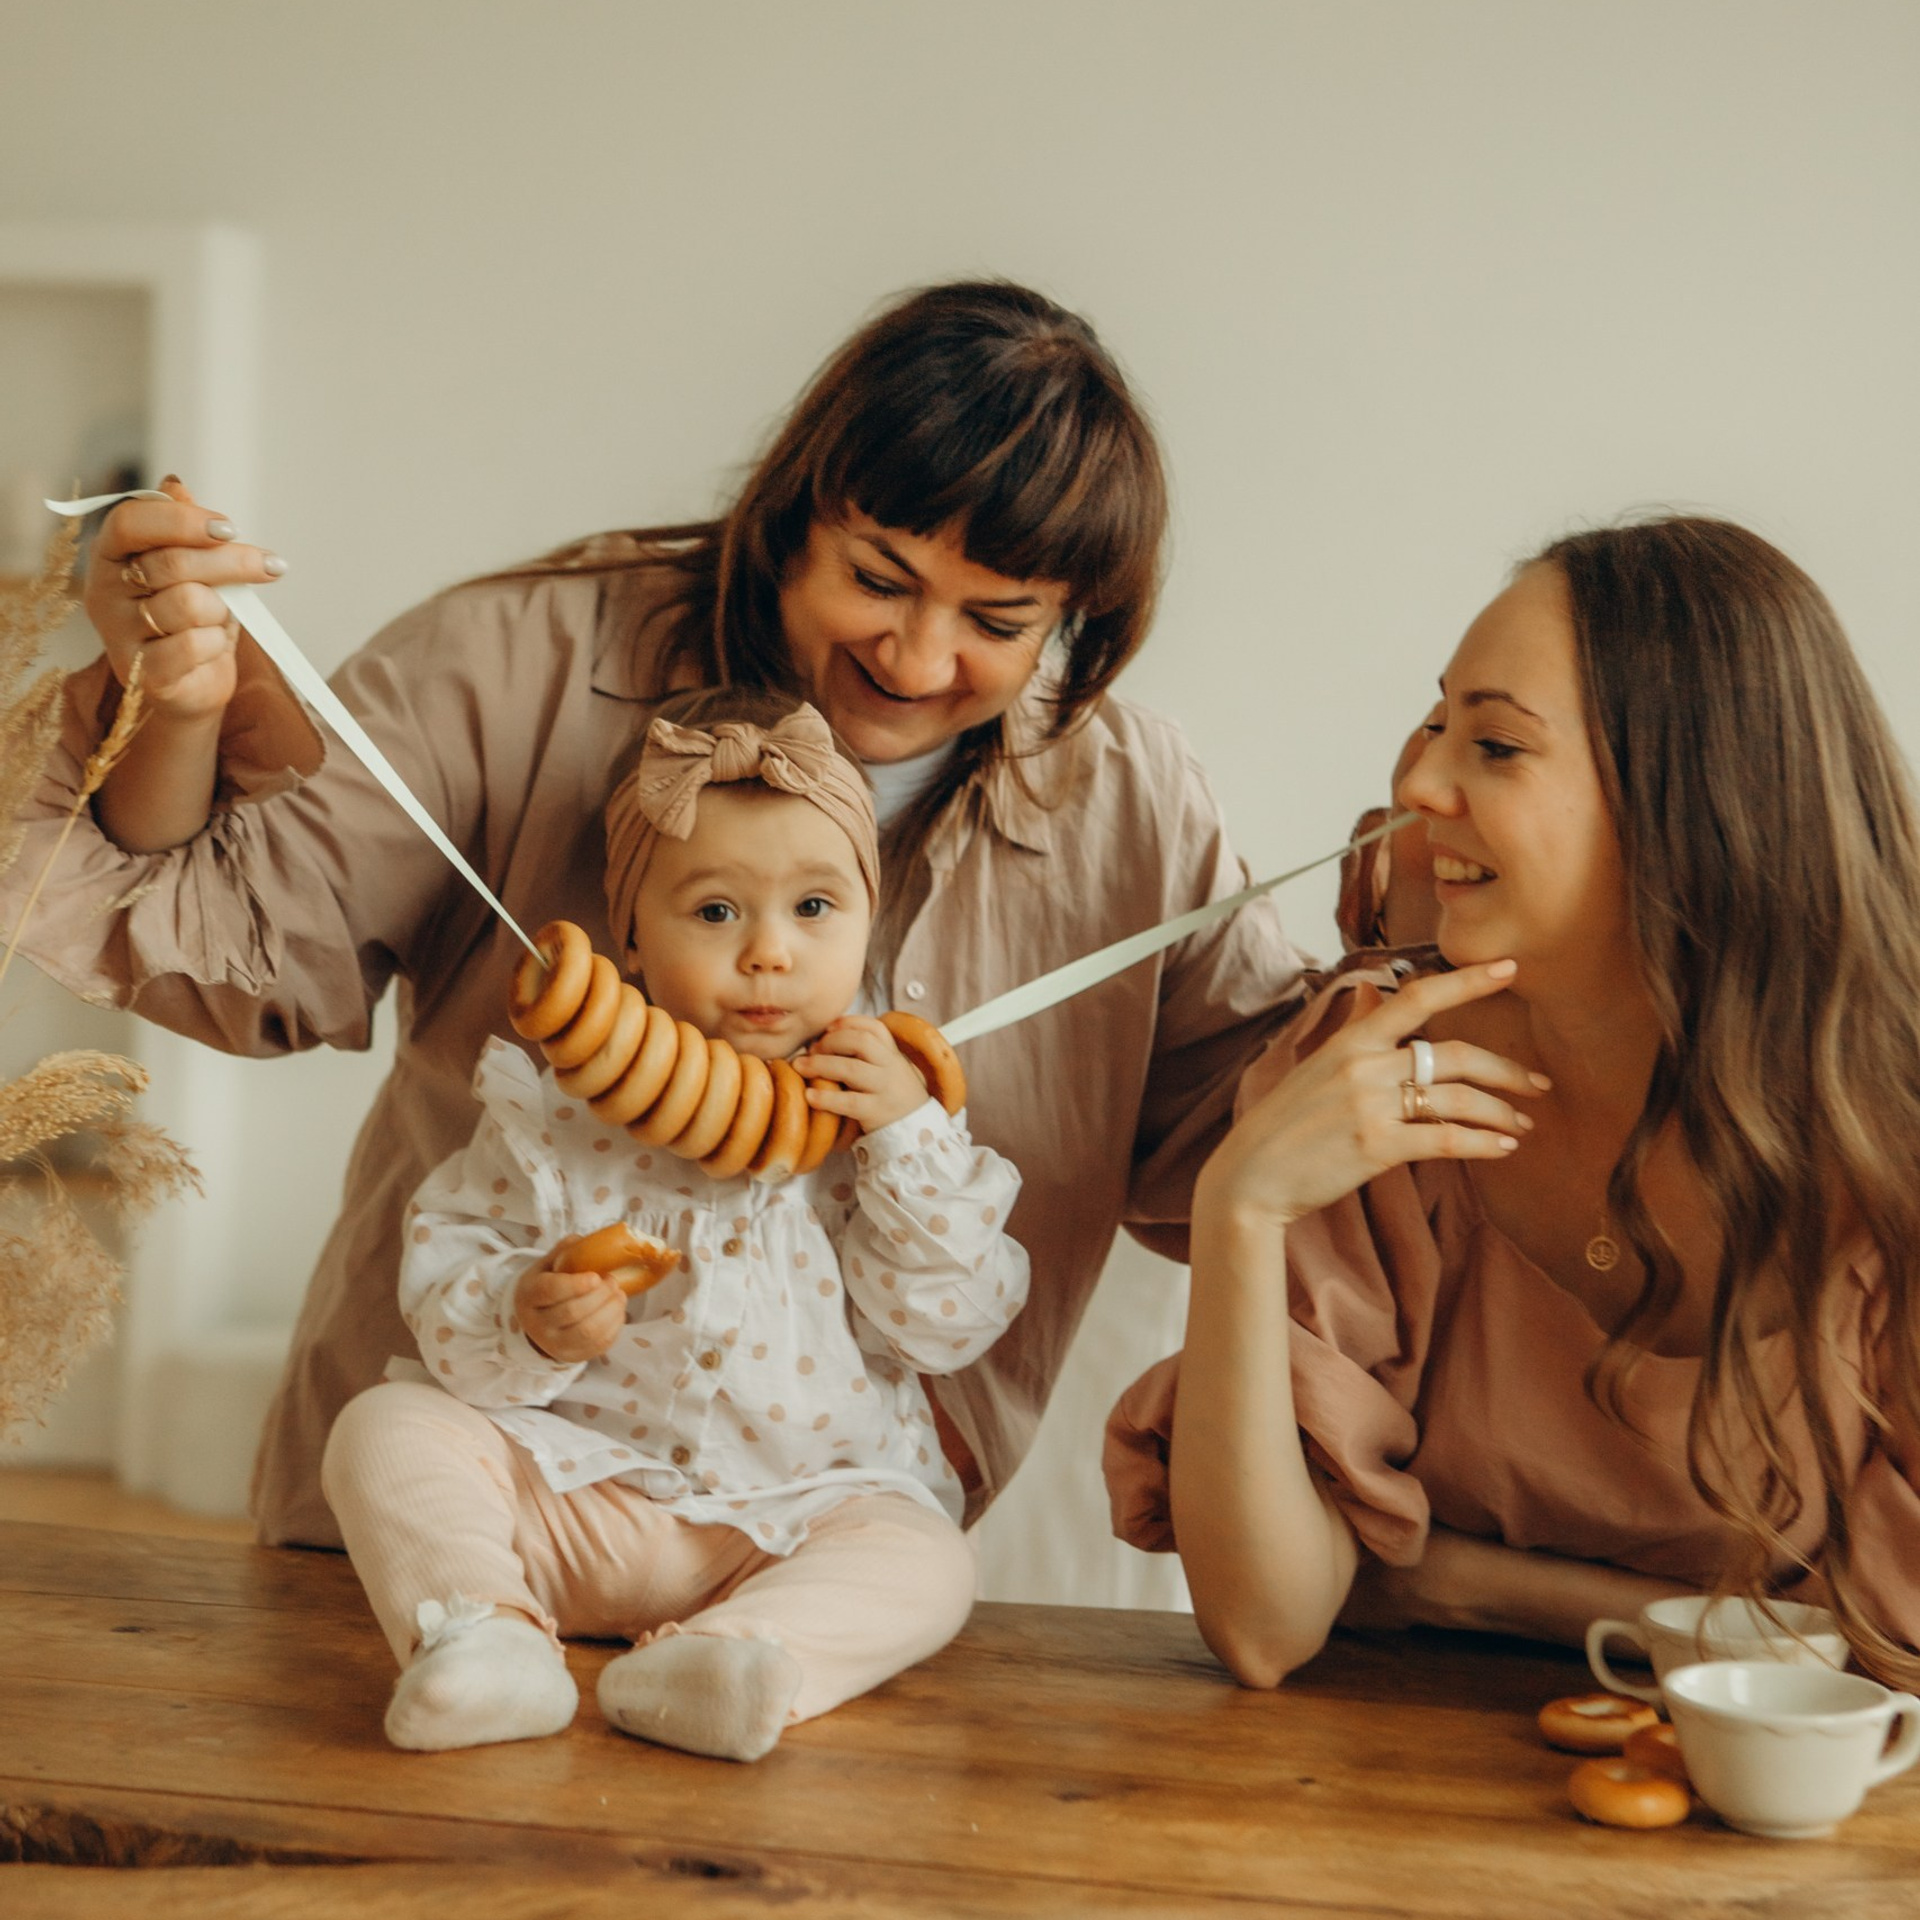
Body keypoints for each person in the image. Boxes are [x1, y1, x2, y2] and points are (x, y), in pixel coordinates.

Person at [7, 279, 1308, 1549]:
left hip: (816, 1555)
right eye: (878, 578)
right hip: (451, 1514)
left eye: (999, 621)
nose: (917, 659)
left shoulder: (1128, 803)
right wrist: (172, 706)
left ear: (1076, 621)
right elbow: (236, 955)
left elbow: (1259, 1131)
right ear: (795, 517)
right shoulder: (520, 665)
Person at [1106, 515, 1920, 1690]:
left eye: (1496, 745)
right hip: (1378, 1770)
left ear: (1690, 802)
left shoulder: (1887, 1133)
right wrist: (1239, 1206)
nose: (1417, 781)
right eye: (1437, 722)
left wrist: (1458, 1583)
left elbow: (1893, 1647)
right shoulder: (1375, 1074)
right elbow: (1265, 1626)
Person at [323, 692, 1025, 1759]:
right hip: (573, 1494)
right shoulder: (554, 1117)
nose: (769, 953)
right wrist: (527, 1316)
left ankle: (729, 1661)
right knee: (384, 1429)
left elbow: (947, 1326)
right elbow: (450, 1292)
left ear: (868, 923)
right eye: (715, 911)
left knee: (930, 1559)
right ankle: (486, 1639)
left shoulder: (890, 1136)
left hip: (789, 1519)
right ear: (633, 939)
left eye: (815, 907)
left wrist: (906, 1141)